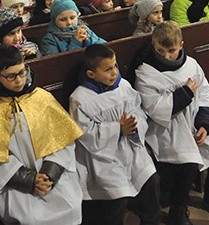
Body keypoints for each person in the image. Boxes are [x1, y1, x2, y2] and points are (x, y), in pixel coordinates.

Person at [134, 22, 209, 225]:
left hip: (192, 124)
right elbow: (156, 108)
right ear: (153, 45)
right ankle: (177, 211)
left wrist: (204, 124)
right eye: (160, 51)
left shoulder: (191, 64)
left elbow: (205, 93)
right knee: (187, 164)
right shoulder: (145, 73)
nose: (166, 56)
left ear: (181, 44)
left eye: (171, 50)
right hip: (165, 129)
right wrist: (187, 93)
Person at [0, 45, 84, 225]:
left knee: (71, 206)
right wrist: (31, 181)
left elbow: (64, 142)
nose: (19, 80)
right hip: (15, 185)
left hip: (51, 177)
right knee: (30, 219)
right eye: (11, 76)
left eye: (22, 72)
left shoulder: (42, 98)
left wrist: (49, 175)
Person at [68, 44, 161, 225]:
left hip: (130, 148)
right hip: (102, 158)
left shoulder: (123, 86)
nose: (114, 73)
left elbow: (139, 111)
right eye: (108, 69)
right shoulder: (80, 98)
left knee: (150, 181)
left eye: (115, 66)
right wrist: (117, 129)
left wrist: (134, 126)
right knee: (115, 198)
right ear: (91, 75)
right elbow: (85, 134)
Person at [0, 1, 41, 70]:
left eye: (19, 31)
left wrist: (32, 58)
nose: (17, 37)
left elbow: (41, 71)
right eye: (11, 34)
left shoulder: (31, 47)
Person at [40, 0, 106, 55]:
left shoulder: (83, 28)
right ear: (54, 20)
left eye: (72, 18)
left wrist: (88, 40)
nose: (69, 22)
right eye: (63, 20)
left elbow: (104, 46)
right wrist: (76, 42)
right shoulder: (49, 39)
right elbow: (55, 63)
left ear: (77, 16)